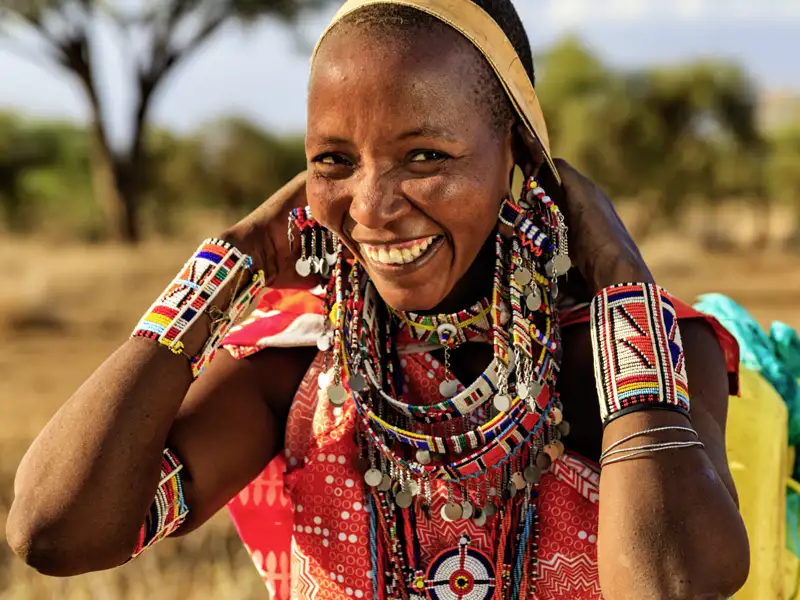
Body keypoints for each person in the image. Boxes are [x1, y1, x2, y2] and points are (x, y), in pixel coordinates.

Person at [6, 0, 750, 598]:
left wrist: (620, 277)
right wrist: (232, 262)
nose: (371, 204)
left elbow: (672, 581)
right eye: (334, 161)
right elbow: (57, 530)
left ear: (518, 156)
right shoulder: (296, 368)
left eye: (424, 155)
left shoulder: (641, 356)